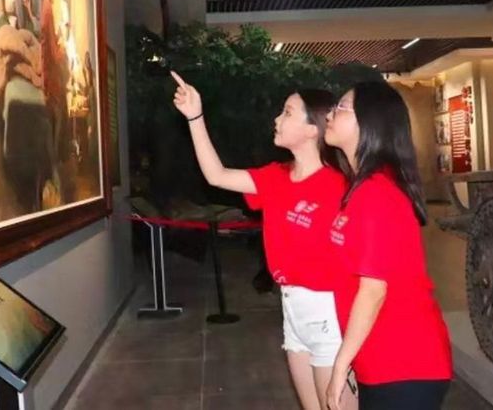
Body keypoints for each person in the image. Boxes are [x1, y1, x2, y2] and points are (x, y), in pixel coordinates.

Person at [171, 71, 356, 410]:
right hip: (292, 308)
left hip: (328, 312)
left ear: (313, 129)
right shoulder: (276, 176)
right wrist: (195, 117)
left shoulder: (340, 186)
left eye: (287, 112)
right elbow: (217, 175)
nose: (276, 119)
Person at [323, 81, 452, 410]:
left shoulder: (376, 192)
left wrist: (340, 365)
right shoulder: (362, 188)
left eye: (341, 107)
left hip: (404, 361)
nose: (329, 115)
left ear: (370, 122)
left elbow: (373, 290)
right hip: (381, 359)